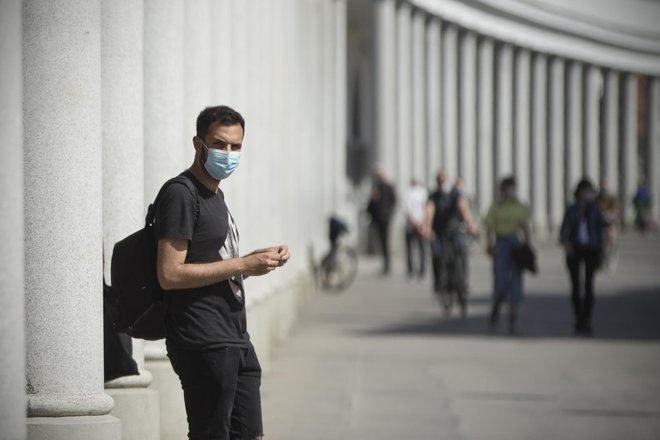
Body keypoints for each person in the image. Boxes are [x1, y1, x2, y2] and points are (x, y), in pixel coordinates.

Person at [156, 105, 290, 440]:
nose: (228, 153)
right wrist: (243, 265)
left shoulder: (215, 193)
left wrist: (256, 260)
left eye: (235, 146)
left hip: (235, 338)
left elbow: (212, 260)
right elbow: (169, 274)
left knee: (250, 434)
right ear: (197, 143)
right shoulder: (181, 194)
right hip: (203, 339)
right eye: (219, 144)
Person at [424, 171, 479, 316]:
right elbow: (429, 211)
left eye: (444, 180)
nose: (442, 183)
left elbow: (464, 208)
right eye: (439, 181)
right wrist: (427, 228)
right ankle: (440, 286)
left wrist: (470, 224)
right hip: (440, 233)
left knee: (461, 251)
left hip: (456, 232)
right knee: (437, 255)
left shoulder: (455, 194)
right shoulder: (434, 196)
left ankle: (463, 284)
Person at [483, 176, 531, 334]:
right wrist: (490, 244)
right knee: (500, 279)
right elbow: (489, 226)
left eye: (513, 188)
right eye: (509, 188)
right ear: (503, 190)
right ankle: (497, 304)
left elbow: (524, 227)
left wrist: (527, 246)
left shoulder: (520, 206)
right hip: (501, 243)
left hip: (515, 244)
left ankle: (513, 313)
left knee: (516, 279)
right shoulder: (496, 207)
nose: (512, 191)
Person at [560, 178, 605, 336]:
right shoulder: (571, 209)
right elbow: (563, 230)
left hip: (591, 249)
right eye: (586, 190)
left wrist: (601, 252)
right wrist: (566, 243)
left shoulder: (595, 209)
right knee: (575, 287)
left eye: (590, 190)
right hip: (575, 249)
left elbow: (601, 231)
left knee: (589, 286)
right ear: (579, 192)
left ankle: (587, 319)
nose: (588, 194)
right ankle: (578, 317)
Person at [367, 168, 397, 274]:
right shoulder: (375, 187)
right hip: (377, 219)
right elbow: (370, 205)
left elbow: (393, 202)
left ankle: (387, 264)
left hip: (385, 218)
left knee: (385, 241)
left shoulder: (388, 187)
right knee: (381, 242)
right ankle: (385, 264)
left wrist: (388, 213)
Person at [403, 178, 428, 278]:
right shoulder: (419, 193)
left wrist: (417, 222)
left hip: (415, 223)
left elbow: (407, 210)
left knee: (413, 247)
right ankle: (419, 269)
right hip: (417, 223)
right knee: (419, 247)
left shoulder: (418, 192)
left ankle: (414, 269)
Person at [596, 177, 620, 269]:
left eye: (605, 184)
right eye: (603, 184)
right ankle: (601, 258)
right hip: (600, 223)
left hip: (610, 223)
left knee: (611, 238)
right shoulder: (598, 197)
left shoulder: (612, 197)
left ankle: (611, 255)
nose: (604, 186)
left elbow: (616, 209)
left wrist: (610, 214)